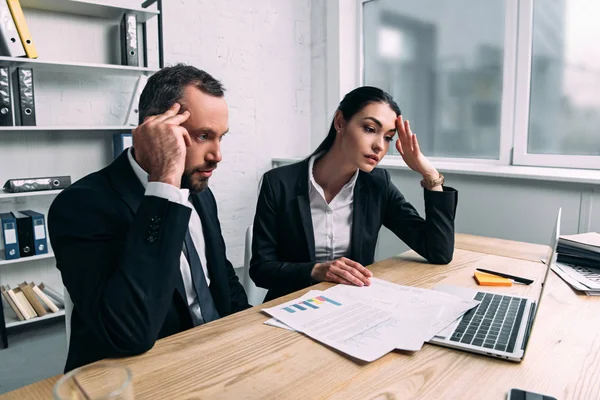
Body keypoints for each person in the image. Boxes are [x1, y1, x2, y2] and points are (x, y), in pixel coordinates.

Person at [48, 64, 250, 372]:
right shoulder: (80, 205)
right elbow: (129, 333)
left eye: (221, 137)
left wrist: (254, 334)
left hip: (213, 355)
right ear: (156, 129)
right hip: (134, 373)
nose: (217, 155)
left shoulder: (200, 192)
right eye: (203, 136)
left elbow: (222, 279)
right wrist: (164, 181)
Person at [250, 86, 457, 302]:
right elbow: (261, 270)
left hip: (351, 307)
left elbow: (438, 252)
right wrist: (317, 270)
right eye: (369, 129)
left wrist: (429, 173)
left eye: (388, 137)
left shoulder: (377, 185)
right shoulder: (279, 183)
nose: (379, 146)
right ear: (340, 122)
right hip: (289, 307)